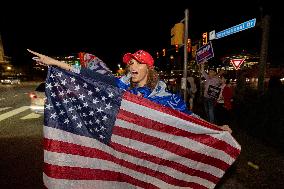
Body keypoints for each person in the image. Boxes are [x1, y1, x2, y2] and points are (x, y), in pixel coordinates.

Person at [27, 49, 232, 133]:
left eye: (137, 63)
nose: (132, 66)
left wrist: (215, 129)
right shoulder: (121, 86)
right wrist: (53, 62)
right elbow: (89, 75)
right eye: (130, 63)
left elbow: (189, 118)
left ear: (148, 68)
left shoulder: (166, 98)